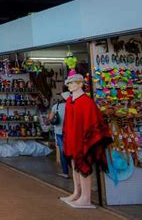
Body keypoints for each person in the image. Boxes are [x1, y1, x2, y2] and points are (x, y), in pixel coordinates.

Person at [60, 73, 112, 208]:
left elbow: (91, 122)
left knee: (83, 165)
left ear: (80, 84)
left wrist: (86, 138)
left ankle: (85, 197)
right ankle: (77, 192)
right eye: (68, 83)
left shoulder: (86, 102)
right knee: (75, 165)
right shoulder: (71, 102)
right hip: (73, 140)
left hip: (82, 140)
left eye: (72, 83)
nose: (69, 86)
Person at [48, 91, 70, 179]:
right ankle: (77, 172)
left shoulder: (56, 106)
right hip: (70, 132)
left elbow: (50, 118)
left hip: (59, 132)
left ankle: (65, 172)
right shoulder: (72, 105)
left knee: (62, 152)